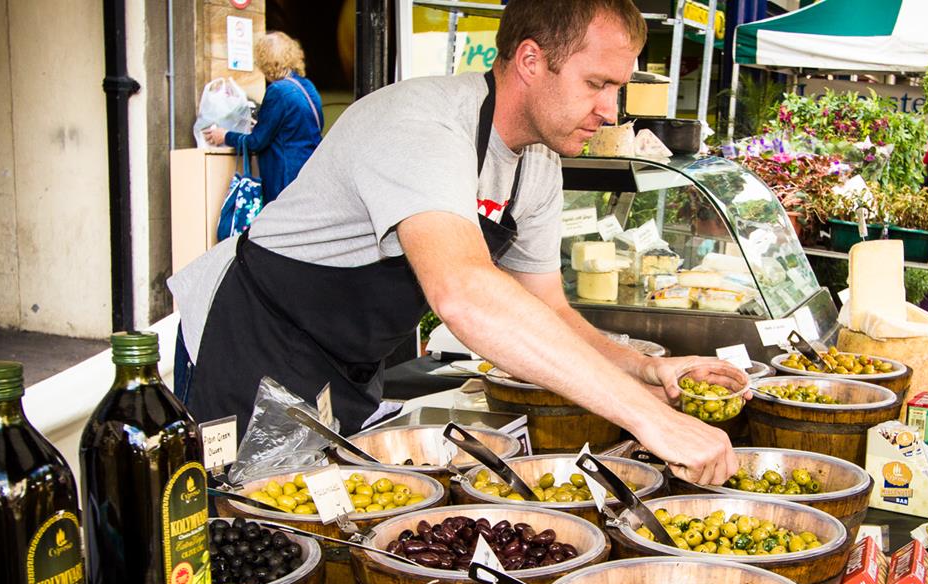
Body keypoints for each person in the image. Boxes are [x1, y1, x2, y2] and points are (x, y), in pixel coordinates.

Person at [168, 0, 746, 485]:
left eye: (617, 87)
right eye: (596, 83)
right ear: (530, 60)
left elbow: (549, 310)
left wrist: (643, 370)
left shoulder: (537, 166)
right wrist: (650, 420)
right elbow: (463, 293)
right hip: (251, 337)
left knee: (323, 520)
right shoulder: (420, 125)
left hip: (345, 364)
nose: (610, 110)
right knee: (237, 535)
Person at [204, 32, 323, 206]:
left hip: (284, 179)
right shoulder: (307, 87)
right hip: (309, 174)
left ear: (265, 61)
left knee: (281, 229)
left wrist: (225, 136)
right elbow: (296, 128)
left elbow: (257, 142)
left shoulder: (278, 91)